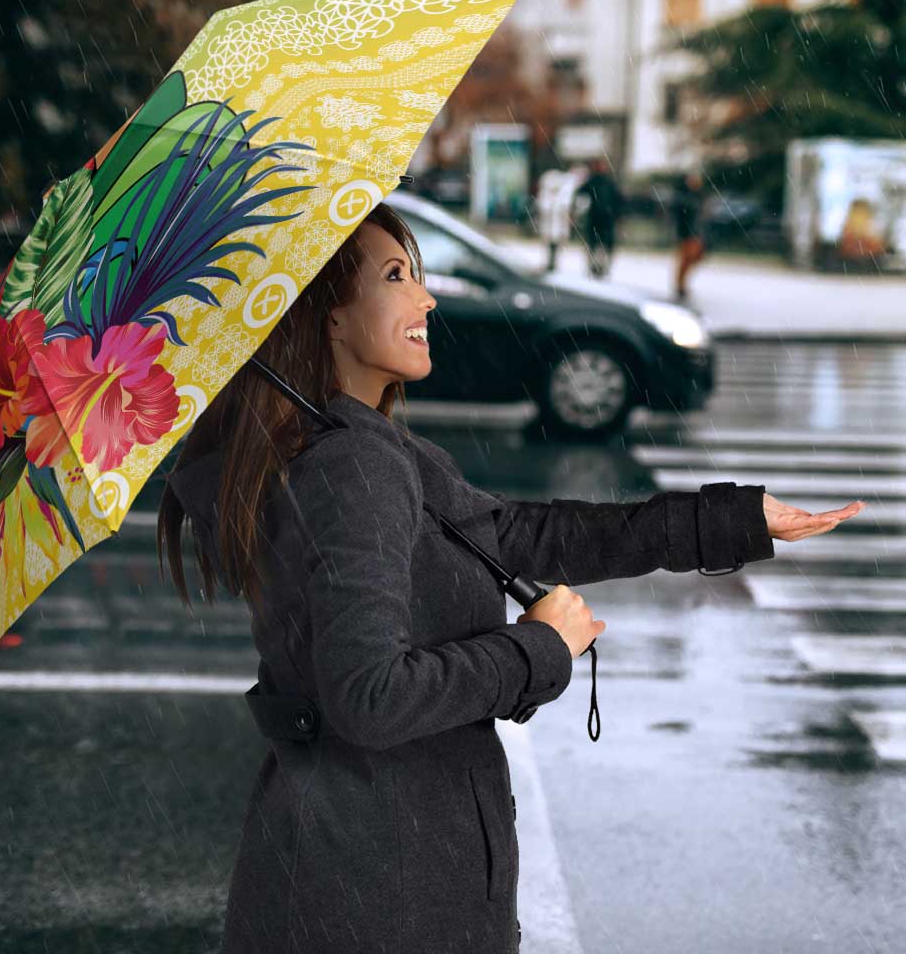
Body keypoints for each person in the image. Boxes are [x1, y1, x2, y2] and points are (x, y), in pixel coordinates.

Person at [158, 202, 859, 954]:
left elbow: (522, 535)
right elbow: (369, 698)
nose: (426, 298)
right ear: (328, 316)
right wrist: (537, 649)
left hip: (361, 873)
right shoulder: (351, 467)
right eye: (396, 276)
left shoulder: (356, 447)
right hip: (379, 892)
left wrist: (731, 521)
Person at [574, 156, 624, 279]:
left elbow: (618, 200)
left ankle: (601, 267)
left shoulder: (607, 182)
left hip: (605, 218)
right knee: (595, 244)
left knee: (602, 245)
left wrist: (617, 214)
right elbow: (580, 194)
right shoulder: (594, 181)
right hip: (597, 218)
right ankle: (595, 267)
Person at [672, 169, 708, 301]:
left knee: (694, 258)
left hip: (696, 233)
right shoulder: (684, 197)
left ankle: (682, 284)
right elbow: (681, 216)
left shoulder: (699, 196)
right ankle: (680, 285)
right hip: (687, 233)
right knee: (686, 259)